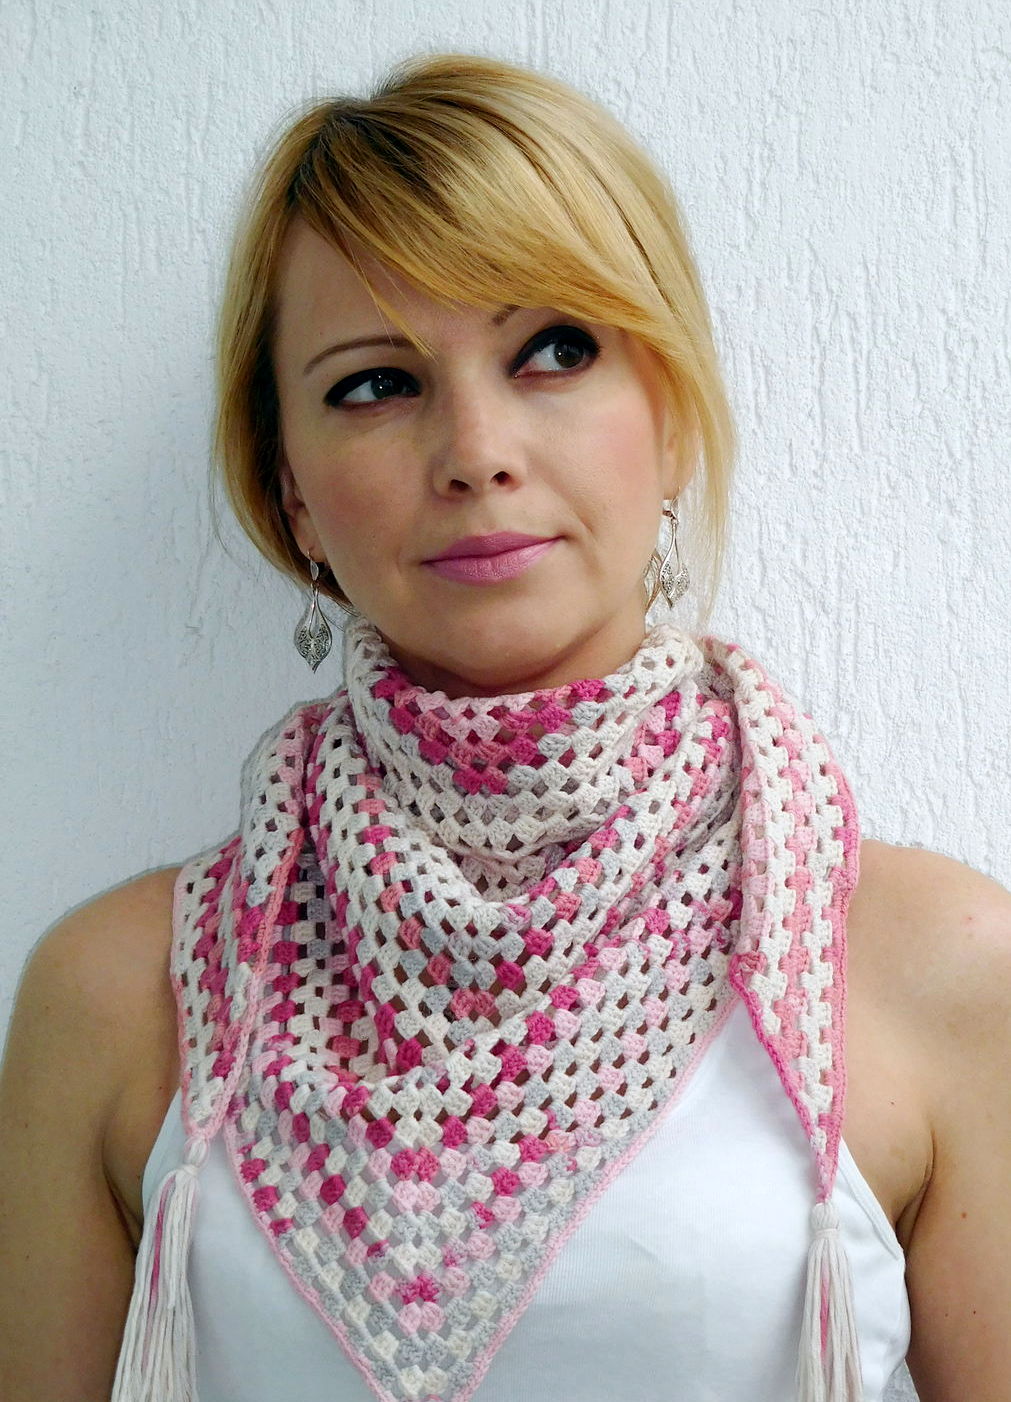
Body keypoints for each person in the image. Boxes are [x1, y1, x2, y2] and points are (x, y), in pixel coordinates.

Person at [1, 50, 1009, 1402]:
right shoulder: (115, 999)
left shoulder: (930, 966)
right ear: (292, 491)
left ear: (671, 415)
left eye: (555, 351)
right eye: (375, 383)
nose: (476, 449)